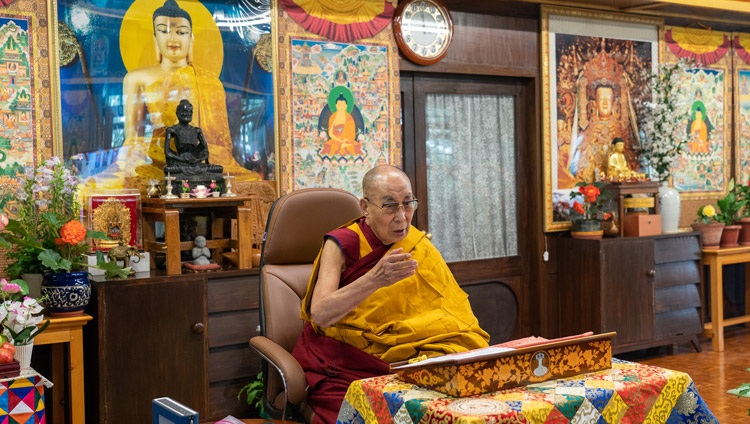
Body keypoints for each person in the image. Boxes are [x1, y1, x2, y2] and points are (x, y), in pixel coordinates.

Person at [292, 165, 489, 423]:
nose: (402, 217)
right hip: (348, 367)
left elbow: (447, 313)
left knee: (454, 407)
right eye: (389, 206)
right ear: (365, 207)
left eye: (408, 204)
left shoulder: (417, 244)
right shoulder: (342, 244)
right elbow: (319, 313)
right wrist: (375, 279)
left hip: (409, 362)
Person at [89, 0, 258, 192]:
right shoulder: (136, 78)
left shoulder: (210, 82)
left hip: (202, 166)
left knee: (254, 184)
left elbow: (220, 145)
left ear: (191, 39)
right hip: (159, 165)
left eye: (181, 32)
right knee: (97, 188)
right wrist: (132, 165)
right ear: (155, 38)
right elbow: (133, 141)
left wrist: (196, 160)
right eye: (164, 30)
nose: (173, 38)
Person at [163, 99, 223, 177]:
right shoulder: (172, 130)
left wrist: (197, 160)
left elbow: (205, 150)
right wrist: (182, 159)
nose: (188, 114)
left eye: (190, 112)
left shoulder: (197, 130)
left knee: (218, 168)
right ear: (177, 113)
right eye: (185, 111)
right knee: (168, 169)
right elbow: (167, 152)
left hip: (196, 163)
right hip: (180, 163)